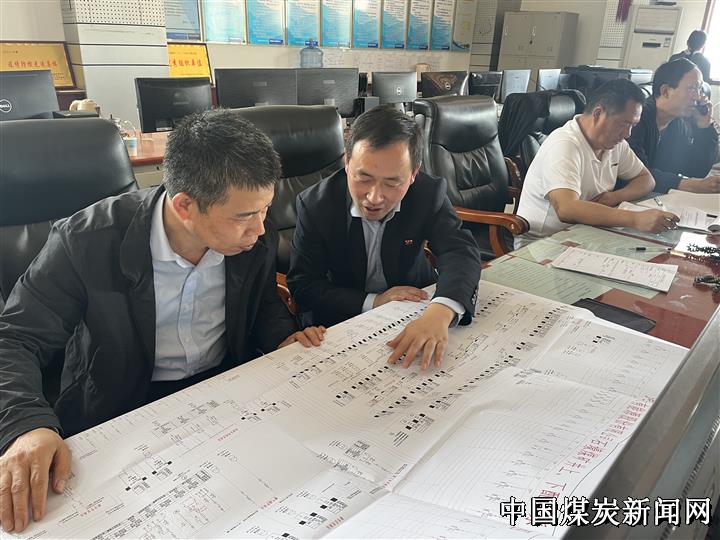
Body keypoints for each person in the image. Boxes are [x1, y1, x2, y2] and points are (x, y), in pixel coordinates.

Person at [0, 109, 325, 533]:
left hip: (223, 392)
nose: (261, 230)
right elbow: (15, 338)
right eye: (245, 216)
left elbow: (261, 302)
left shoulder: (249, 234)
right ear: (185, 206)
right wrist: (25, 425)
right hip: (120, 404)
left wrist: (282, 339)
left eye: (264, 210)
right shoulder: (85, 242)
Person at [287, 105, 482, 370]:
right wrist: (375, 301)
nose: (374, 197)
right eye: (363, 178)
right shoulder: (316, 205)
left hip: (415, 308)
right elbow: (304, 285)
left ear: (413, 175)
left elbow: (459, 250)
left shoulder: (428, 193)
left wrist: (441, 311)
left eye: (392, 183)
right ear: (347, 163)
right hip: (345, 320)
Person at [515, 78, 679, 247]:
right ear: (598, 114)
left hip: (585, 235)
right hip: (542, 243)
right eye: (623, 124)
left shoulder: (615, 144)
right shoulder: (565, 144)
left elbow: (646, 179)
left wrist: (614, 197)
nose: (628, 133)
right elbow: (566, 208)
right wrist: (635, 219)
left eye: (633, 125)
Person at [625, 58, 719, 194]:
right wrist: (689, 185)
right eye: (692, 88)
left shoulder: (677, 123)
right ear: (666, 91)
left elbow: (696, 170)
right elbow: (635, 172)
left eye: (699, 89)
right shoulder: (636, 119)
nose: (698, 97)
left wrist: (704, 128)